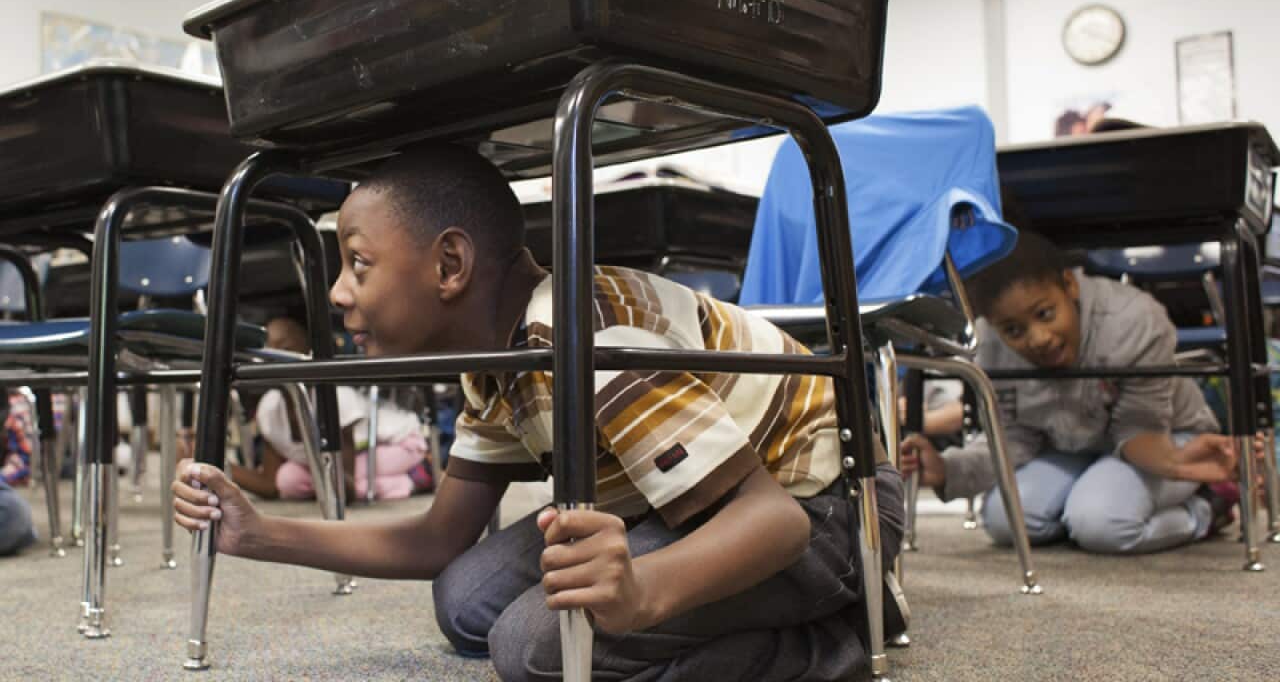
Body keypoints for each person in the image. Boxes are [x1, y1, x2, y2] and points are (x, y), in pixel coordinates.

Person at [172, 143, 904, 681]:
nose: (336, 293)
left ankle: (840, 635)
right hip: (689, 506)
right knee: (462, 599)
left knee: (535, 650)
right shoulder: (496, 359)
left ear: (449, 266)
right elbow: (438, 540)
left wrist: (641, 592)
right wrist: (261, 533)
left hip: (829, 508)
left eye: (357, 263)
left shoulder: (589, 344)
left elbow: (773, 521)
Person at [902, 229, 1246, 554]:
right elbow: (1013, 436)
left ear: (1069, 285)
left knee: (1102, 524)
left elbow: (1139, 428)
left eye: (1045, 314)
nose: (1037, 339)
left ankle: (1207, 508)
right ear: (993, 325)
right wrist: (948, 470)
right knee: (1005, 522)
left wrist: (1178, 463)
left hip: (1163, 438)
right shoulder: (989, 344)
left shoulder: (1134, 319)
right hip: (1073, 446)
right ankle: (1088, 498)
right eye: (1013, 330)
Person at [230, 316, 432, 501]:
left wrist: (323, 485)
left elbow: (345, 489)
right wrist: (212, 463)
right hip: (327, 464)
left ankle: (414, 478)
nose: (271, 356)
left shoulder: (334, 398)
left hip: (400, 444)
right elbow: (271, 485)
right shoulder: (269, 408)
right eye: (266, 347)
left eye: (283, 347)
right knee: (286, 480)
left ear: (308, 355)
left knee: (358, 486)